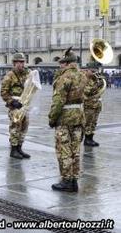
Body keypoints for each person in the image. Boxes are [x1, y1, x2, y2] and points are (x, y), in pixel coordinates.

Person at [48, 48, 87, 192]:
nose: (60, 65)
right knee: (75, 150)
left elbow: (58, 101)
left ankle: (66, 180)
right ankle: (74, 180)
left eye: (62, 63)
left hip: (65, 118)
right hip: (79, 116)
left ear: (67, 63)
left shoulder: (65, 77)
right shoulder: (82, 75)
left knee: (63, 149)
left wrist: (52, 118)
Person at [0, 53, 31, 159]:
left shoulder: (27, 73)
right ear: (14, 63)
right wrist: (12, 102)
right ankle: (13, 149)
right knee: (15, 127)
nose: (22, 64)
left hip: (25, 104)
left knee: (24, 127)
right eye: (20, 62)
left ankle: (19, 148)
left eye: (23, 62)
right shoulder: (9, 76)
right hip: (15, 105)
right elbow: (4, 92)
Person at [83, 61, 105, 147]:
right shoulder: (84, 79)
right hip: (88, 105)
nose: (94, 73)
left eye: (95, 71)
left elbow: (101, 90)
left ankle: (91, 138)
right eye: (92, 71)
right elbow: (87, 91)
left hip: (96, 104)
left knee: (94, 122)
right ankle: (87, 139)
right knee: (88, 122)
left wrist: (101, 81)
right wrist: (97, 85)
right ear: (87, 70)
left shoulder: (96, 79)